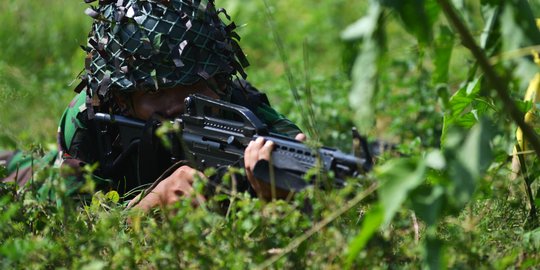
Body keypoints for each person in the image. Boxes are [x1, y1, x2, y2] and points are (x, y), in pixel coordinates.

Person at [2, 0, 304, 210]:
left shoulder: (240, 106)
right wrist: (148, 207)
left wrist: (283, 197)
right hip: (38, 178)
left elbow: (301, 158)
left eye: (194, 85)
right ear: (121, 97)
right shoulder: (90, 117)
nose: (178, 104)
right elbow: (72, 226)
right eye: (155, 92)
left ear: (219, 80)